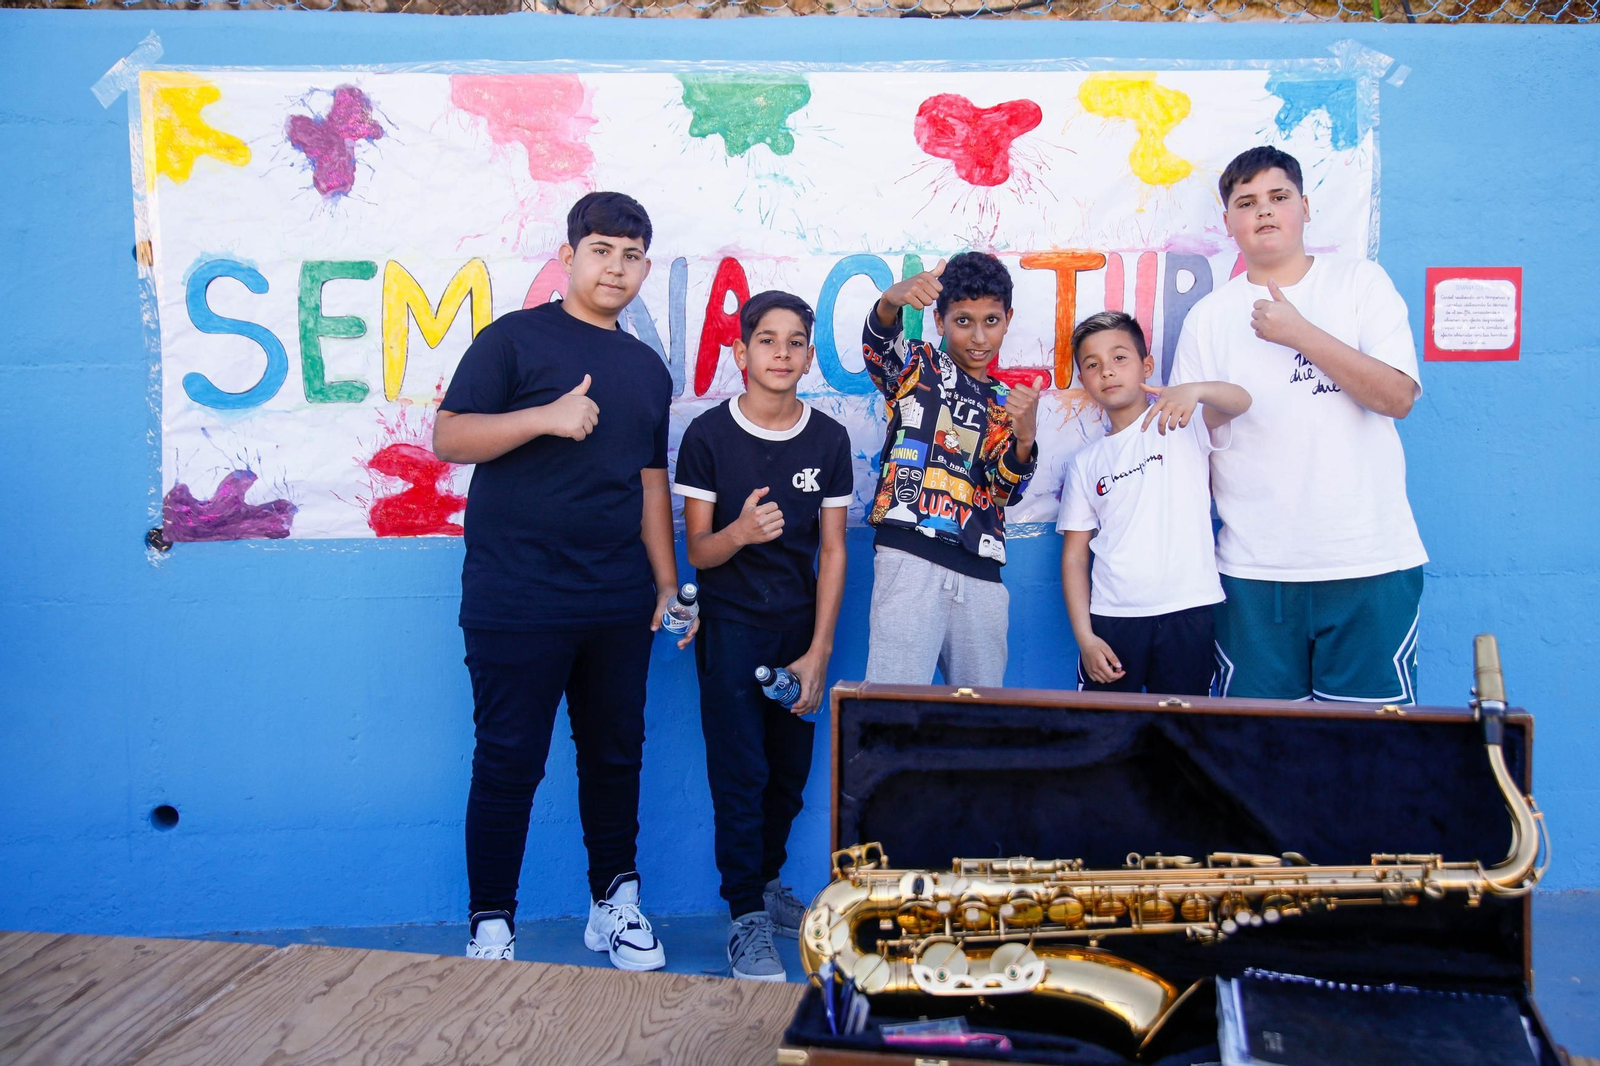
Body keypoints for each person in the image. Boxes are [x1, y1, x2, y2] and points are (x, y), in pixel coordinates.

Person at [433, 191, 688, 970]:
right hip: (517, 597)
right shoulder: (513, 340)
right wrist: (541, 418)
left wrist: (666, 582)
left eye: (632, 254)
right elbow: (449, 435)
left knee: (616, 754)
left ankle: (614, 902)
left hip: (615, 598)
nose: (617, 267)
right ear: (570, 255)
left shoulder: (648, 369)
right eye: (603, 250)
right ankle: (491, 923)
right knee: (510, 759)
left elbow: (650, 482)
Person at [1171, 146, 1427, 703]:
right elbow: (1196, 452)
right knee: (1256, 753)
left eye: (1278, 197)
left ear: (1306, 207)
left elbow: (1398, 397)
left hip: (1369, 559)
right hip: (1254, 570)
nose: (1264, 211)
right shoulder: (1208, 318)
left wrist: (1299, 333)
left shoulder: (1361, 283)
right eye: (1247, 202)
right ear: (1228, 222)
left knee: (1368, 752)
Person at [673, 290, 852, 982]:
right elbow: (700, 552)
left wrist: (819, 648)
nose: (782, 353)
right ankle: (744, 914)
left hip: (796, 632)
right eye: (767, 340)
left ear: (809, 356)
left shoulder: (828, 439)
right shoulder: (709, 436)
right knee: (740, 774)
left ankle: (770, 883)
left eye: (795, 342)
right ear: (741, 352)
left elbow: (833, 552)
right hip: (732, 629)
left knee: (788, 775)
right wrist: (741, 532)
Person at [859, 252, 1041, 688]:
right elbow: (879, 350)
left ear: (1008, 319)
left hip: (982, 575)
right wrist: (889, 303)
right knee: (892, 711)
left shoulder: (1007, 402)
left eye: (991, 321)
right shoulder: (918, 366)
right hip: (909, 559)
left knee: (980, 725)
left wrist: (1026, 438)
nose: (979, 337)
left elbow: (1002, 493)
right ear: (939, 322)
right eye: (963, 321)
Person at [1058, 312, 1250, 695]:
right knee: (1104, 736)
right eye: (1093, 365)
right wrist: (1086, 638)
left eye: (1119, 358)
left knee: (1182, 737)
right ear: (1084, 380)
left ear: (1146, 365)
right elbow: (1075, 556)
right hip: (1113, 618)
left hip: (1189, 610)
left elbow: (1241, 401)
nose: (1107, 372)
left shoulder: (1183, 424)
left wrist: (1193, 391)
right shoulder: (1086, 463)